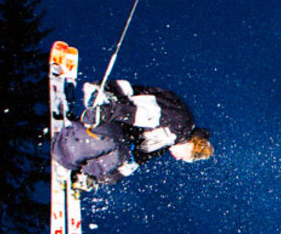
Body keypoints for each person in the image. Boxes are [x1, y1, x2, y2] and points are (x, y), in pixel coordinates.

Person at [51, 80, 213, 190]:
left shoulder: (167, 142)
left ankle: (81, 169)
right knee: (110, 144)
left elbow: (133, 162)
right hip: (113, 102)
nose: (178, 159)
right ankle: (63, 149)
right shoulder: (180, 121)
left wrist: (100, 180)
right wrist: (104, 112)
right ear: (192, 145)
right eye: (186, 158)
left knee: (121, 153)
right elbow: (138, 111)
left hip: (117, 125)